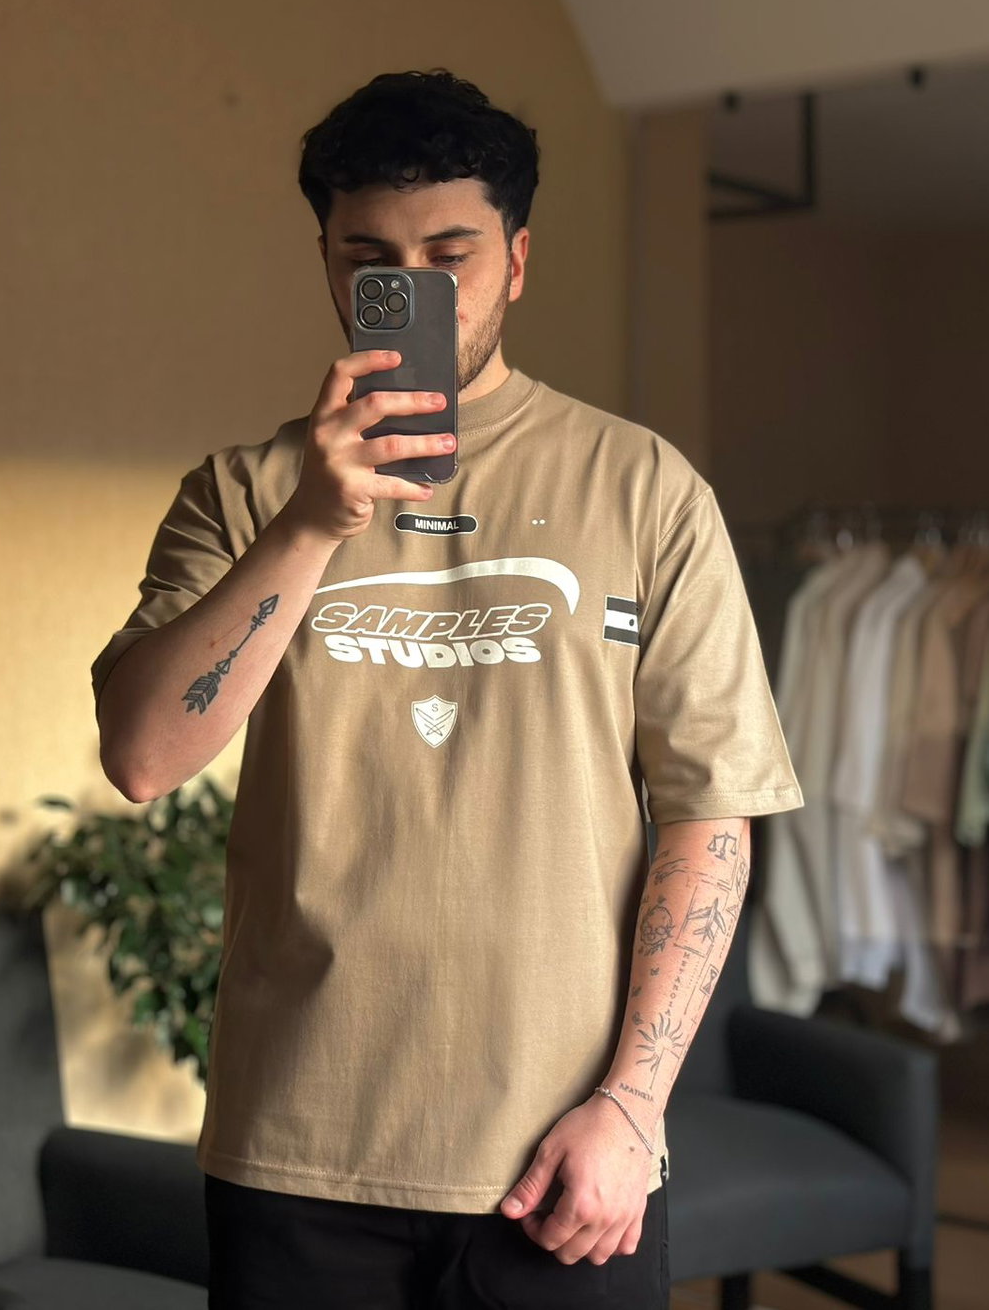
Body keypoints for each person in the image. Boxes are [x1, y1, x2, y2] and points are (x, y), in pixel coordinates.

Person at [91, 69, 804, 1309]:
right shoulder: (243, 494)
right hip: (296, 1154)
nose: (413, 287)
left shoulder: (646, 490)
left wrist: (633, 1107)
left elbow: (710, 820)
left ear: (517, 262)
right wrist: (313, 525)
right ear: (327, 263)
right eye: (371, 258)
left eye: (450, 255)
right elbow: (145, 756)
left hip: (565, 1161)